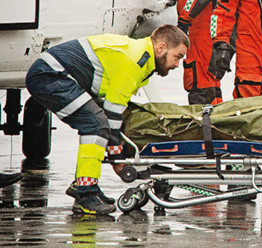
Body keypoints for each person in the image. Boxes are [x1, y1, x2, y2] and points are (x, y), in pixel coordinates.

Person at [25, 25, 189, 215]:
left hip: (61, 75)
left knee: (97, 122)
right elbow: (112, 115)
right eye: (177, 57)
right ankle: (86, 195)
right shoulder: (135, 61)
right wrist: (117, 159)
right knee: (95, 125)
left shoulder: (140, 56)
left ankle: (83, 185)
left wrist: (116, 154)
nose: (177, 65)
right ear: (161, 48)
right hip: (51, 76)